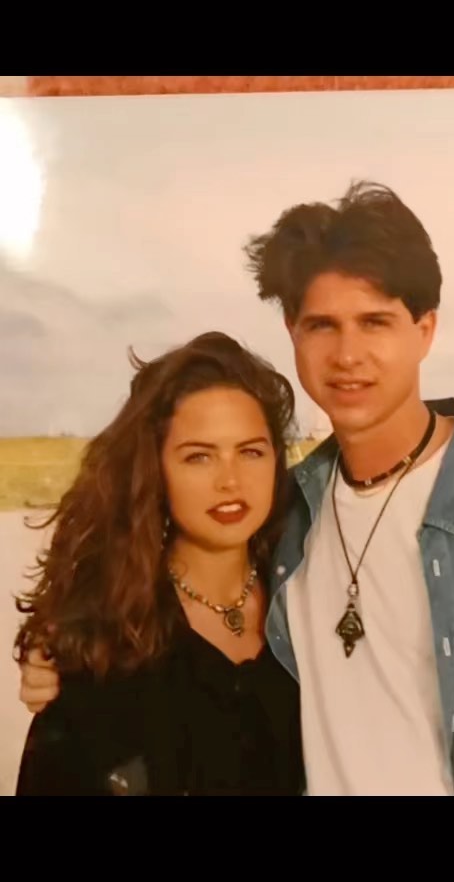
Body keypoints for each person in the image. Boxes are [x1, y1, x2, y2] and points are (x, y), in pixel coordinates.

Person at [20, 182, 454, 795]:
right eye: (322, 326)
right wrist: (66, 656)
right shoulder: (289, 513)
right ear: (293, 333)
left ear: (425, 330)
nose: (347, 355)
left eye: (375, 322)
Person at [15, 332, 303, 796]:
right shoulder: (100, 641)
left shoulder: (307, 604)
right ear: (154, 467)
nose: (230, 480)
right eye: (199, 457)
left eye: (250, 451)